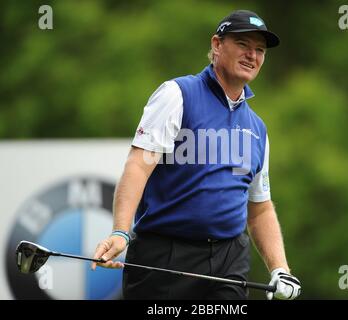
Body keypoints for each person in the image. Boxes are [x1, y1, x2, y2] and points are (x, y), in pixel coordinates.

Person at [91, 9, 301, 300]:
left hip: (230, 259)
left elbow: (260, 207)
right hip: (165, 256)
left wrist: (280, 268)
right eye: (243, 45)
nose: (252, 55)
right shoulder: (177, 94)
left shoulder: (257, 128)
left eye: (260, 50)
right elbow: (139, 165)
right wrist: (120, 231)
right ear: (217, 45)